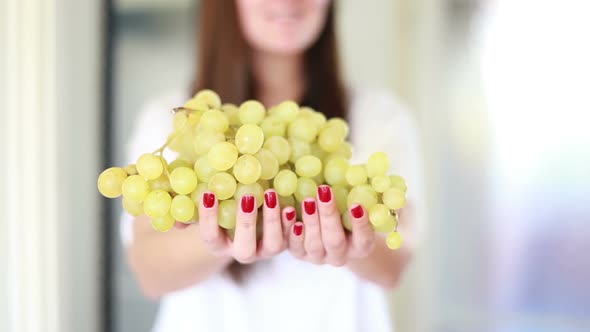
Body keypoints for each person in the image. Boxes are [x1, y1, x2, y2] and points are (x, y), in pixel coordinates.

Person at [121, 1, 423, 331]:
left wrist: (351, 244)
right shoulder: (180, 120)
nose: (287, 2)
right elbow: (149, 273)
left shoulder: (380, 116)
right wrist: (222, 236)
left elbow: (395, 262)